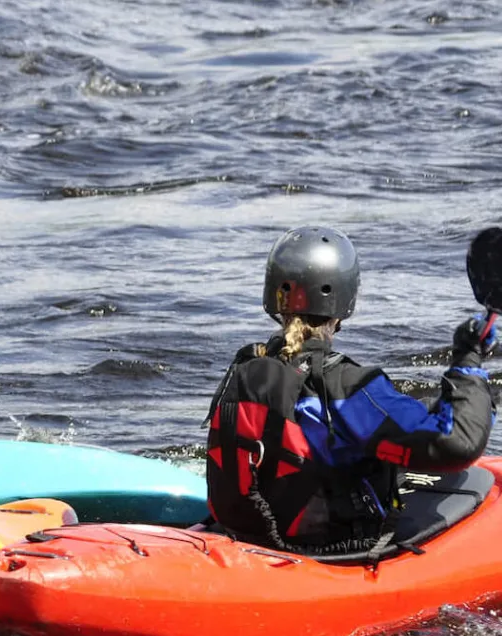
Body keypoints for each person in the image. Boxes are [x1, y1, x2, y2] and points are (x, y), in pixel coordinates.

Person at [205, 226, 495, 554]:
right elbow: (460, 443)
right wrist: (468, 362)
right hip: (324, 555)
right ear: (344, 301)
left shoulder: (246, 368)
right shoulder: (344, 386)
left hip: (243, 538)